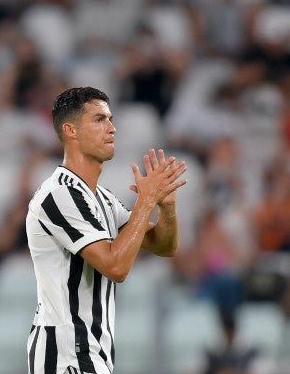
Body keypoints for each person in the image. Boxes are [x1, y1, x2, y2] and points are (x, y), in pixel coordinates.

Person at [25, 86, 187, 374]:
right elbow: (115, 266)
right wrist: (146, 200)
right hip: (65, 355)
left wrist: (166, 207)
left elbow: (163, 245)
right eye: (99, 120)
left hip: (91, 352)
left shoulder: (100, 197)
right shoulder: (60, 194)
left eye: (111, 119)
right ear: (70, 130)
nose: (112, 128)